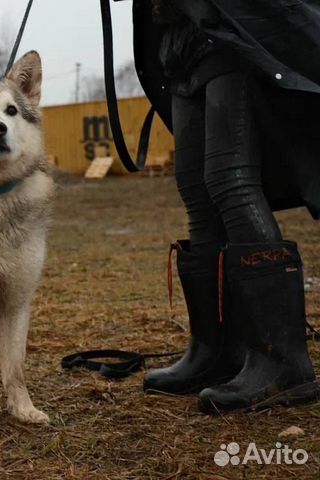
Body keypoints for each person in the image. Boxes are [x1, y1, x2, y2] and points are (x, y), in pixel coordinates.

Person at [129, 0, 320, 412]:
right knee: (196, 189)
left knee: (230, 181)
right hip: (179, 40)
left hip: (231, 25)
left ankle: (281, 360)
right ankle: (218, 350)